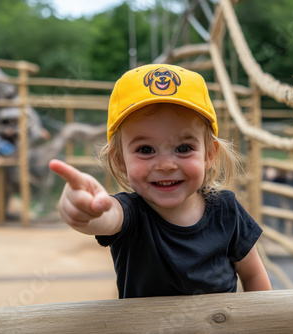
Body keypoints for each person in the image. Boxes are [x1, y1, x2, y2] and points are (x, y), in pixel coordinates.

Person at [49, 64, 271, 298]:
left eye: (183, 148)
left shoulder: (226, 211)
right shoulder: (131, 215)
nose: (166, 165)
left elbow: (253, 274)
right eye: (146, 149)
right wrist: (85, 211)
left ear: (209, 154)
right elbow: (108, 218)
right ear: (120, 160)